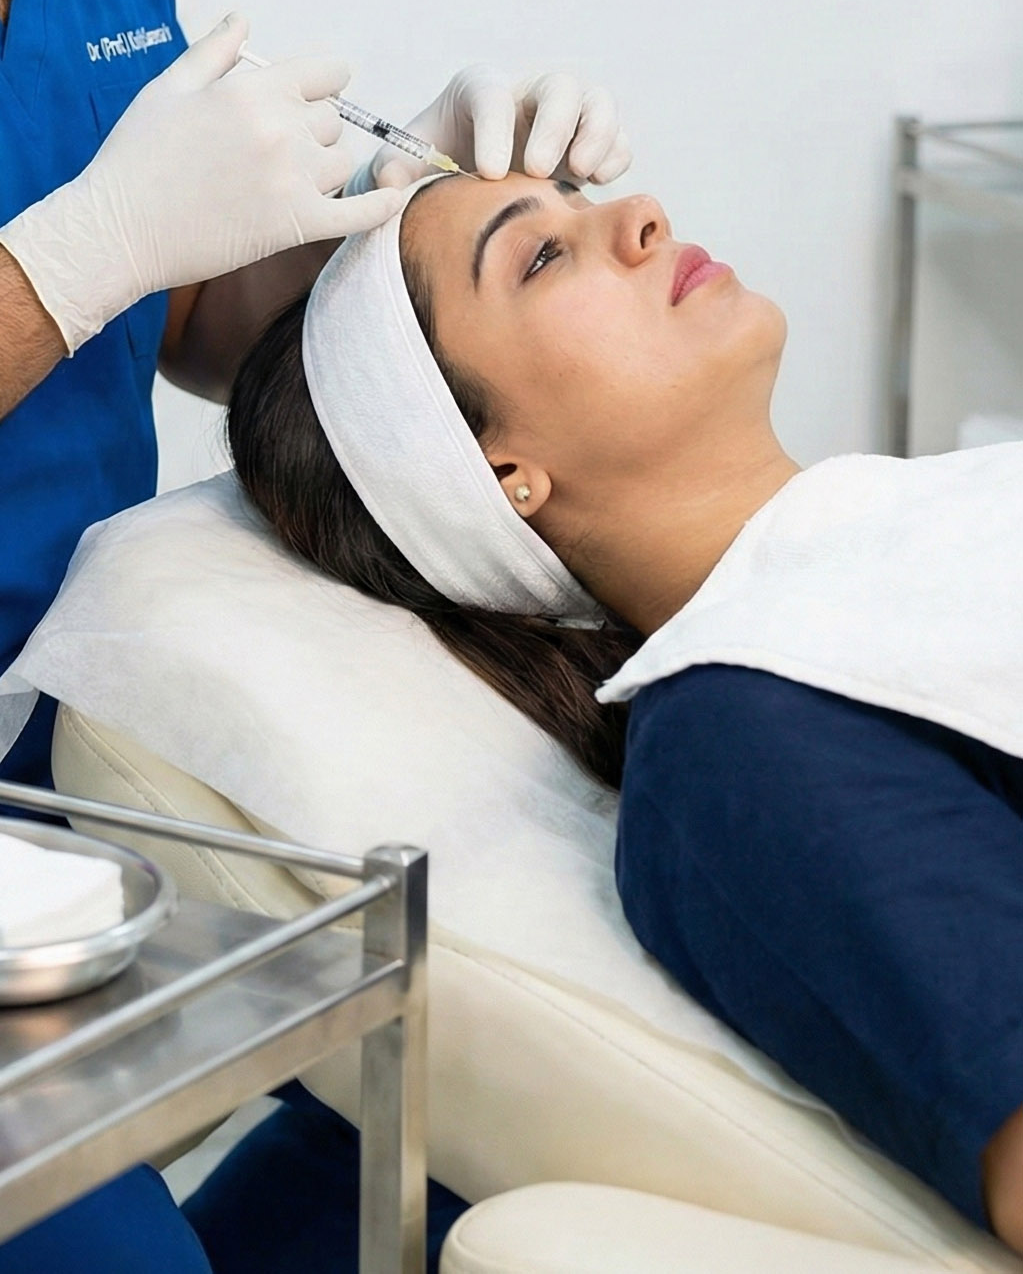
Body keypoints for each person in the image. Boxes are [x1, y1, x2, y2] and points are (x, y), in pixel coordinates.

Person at [0, 0, 630, 1267]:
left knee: (461, 1133)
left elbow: (178, 301)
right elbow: (99, 255)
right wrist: (77, 250)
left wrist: (389, 224)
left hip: (51, 750)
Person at [226, 168, 1023, 1254]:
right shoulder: (747, 736)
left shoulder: (909, 528)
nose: (643, 216)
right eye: (541, 254)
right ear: (498, 467)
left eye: (577, 201)